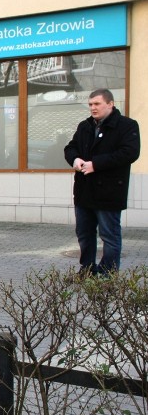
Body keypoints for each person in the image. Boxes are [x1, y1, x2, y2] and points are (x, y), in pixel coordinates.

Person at [64, 88, 140, 275]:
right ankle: (87, 269)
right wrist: (75, 160)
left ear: (110, 104)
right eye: (90, 104)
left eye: (97, 104)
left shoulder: (127, 125)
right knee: (84, 234)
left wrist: (96, 164)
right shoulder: (85, 126)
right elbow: (70, 147)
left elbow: (129, 153)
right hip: (84, 191)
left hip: (109, 192)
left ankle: (108, 274)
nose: (92, 108)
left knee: (109, 235)